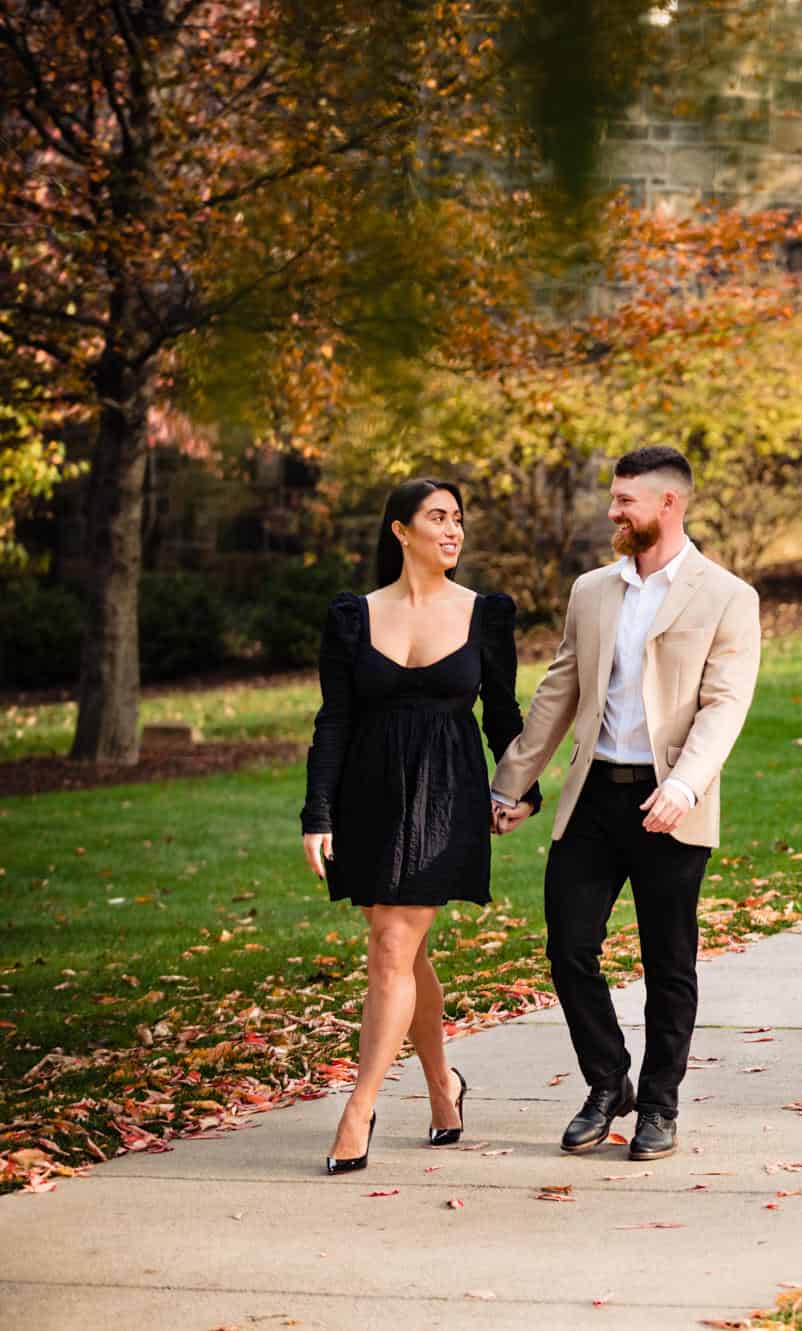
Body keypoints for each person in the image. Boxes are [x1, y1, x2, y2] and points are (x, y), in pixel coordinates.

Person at [489, 445, 761, 1163]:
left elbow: (725, 704)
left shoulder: (728, 596)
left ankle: (660, 1106)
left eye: (625, 500)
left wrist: (684, 784)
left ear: (669, 505)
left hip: (670, 801)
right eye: (614, 499)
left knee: (669, 962)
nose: (613, 511)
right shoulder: (592, 591)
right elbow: (557, 693)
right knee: (569, 947)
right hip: (593, 797)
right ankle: (609, 1082)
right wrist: (509, 782)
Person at [299, 478, 540, 1175]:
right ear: (400, 530)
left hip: (446, 795)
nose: (453, 530)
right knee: (404, 951)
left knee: (391, 942)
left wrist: (522, 789)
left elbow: (502, 714)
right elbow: (334, 719)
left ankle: (358, 1108)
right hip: (369, 793)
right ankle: (443, 1086)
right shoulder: (351, 616)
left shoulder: (484, 614)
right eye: (437, 517)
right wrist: (318, 812)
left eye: (458, 518)